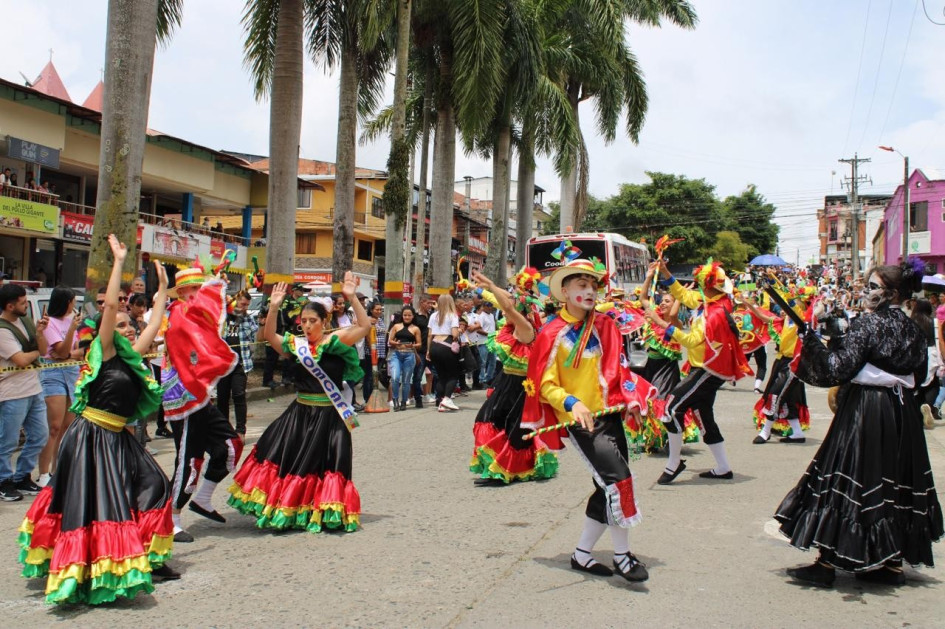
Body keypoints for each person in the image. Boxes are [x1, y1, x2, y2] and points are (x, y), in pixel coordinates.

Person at [18, 234, 178, 604]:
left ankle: (146, 554)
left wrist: (164, 290)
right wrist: (119, 263)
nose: (127, 330)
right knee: (96, 502)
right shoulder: (103, 353)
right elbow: (108, 311)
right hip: (92, 436)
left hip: (117, 435)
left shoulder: (130, 358)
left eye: (127, 326)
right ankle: (90, 568)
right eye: (120, 326)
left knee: (155, 483)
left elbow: (154, 327)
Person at [776, 263, 944, 587]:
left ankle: (826, 563)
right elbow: (921, 377)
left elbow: (837, 368)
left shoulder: (868, 324)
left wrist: (812, 345)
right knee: (894, 482)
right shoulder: (913, 329)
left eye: (873, 287)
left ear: (892, 294)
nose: (867, 292)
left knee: (849, 481)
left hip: (866, 408)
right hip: (902, 414)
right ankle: (891, 563)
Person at [521, 259, 656, 582]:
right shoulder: (552, 333)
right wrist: (571, 402)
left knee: (605, 485)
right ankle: (623, 556)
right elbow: (545, 384)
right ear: (564, 291)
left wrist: (632, 399)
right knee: (619, 479)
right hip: (582, 421)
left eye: (592, 285)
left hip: (609, 415)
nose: (589, 291)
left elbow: (618, 369)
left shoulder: (606, 326)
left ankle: (582, 554)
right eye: (581, 285)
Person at [228, 273, 369, 533]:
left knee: (331, 463)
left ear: (324, 321)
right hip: (301, 413)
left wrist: (351, 298)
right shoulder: (296, 345)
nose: (307, 326)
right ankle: (289, 507)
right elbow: (270, 336)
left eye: (312, 321)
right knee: (291, 460)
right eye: (303, 321)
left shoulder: (335, 342)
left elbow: (364, 327)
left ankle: (326, 509)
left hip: (330, 415)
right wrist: (273, 307)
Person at [645, 259, 751, 484]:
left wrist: (661, 323)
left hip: (708, 369)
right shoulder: (712, 300)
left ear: (709, 285)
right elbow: (684, 295)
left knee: (671, 408)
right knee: (703, 416)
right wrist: (665, 271)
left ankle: (674, 464)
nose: (698, 286)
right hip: (703, 367)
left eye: (701, 283)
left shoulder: (714, 314)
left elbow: (692, 341)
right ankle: (723, 467)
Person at [162, 263, 242, 542]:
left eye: (200, 288)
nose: (199, 294)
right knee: (189, 460)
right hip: (184, 398)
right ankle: (170, 518)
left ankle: (203, 499)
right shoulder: (178, 314)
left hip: (200, 396)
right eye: (194, 289)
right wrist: (212, 286)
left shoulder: (190, 313)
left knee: (230, 446)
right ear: (182, 292)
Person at [469, 269, 558, 485]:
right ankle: (497, 467)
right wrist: (485, 288)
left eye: (509, 308)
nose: (503, 309)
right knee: (489, 420)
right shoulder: (512, 325)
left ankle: (505, 470)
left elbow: (508, 305)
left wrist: (490, 283)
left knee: (510, 428)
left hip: (520, 387)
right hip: (506, 380)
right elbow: (506, 302)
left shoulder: (525, 328)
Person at [625, 266, 700, 452]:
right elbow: (643, 299)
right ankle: (653, 437)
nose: (663, 304)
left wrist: (682, 295)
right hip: (649, 366)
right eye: (663, 300)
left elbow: (673, 314)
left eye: (668, 301)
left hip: (666, 369)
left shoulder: (675, 323)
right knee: (646, 401)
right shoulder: (654, 316)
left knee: (660, 401)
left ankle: (666, 437)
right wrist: (648, 277)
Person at [743, 284, 812, 444]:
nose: (785, 308)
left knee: (775, 394)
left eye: (791, 304)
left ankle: (765, 431)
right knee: (788, 398)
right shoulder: (786, 320)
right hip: (781, 362)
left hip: (793, 364)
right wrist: (749, 305)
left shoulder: (800, 320)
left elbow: (793, 308)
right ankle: (797, 433)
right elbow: (765, 318)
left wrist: (782, 294)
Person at [0, 285, 49, 501]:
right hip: (11, 392)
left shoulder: (26, 322)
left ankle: (22, 476)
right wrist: (35, 352)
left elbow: (45, 350)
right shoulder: (2, 330)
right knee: (8, 441)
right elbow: (19, 360)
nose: (25, 305)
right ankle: (3, 480)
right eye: (22, 303)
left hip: (33, 388)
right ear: (10, 306)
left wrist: (39, 334)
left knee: (40, 435)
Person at [36, 287, 84, 488]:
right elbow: (61, 350)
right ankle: (44, 472)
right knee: (54, 426)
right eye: (73, 301)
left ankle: (59, 469)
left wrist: (67, 354)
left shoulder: (72, 320)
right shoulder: (50, 322)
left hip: (71, 371)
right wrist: (71, 332)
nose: (75, 306)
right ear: (66, 302)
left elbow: (79, 352)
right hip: (53, 374)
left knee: (67, 426)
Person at [217, 290, 258, 437]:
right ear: (236, 301)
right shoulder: (223, 316)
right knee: (222, 397)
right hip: (223, 364)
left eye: (247, 305)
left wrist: (243, 316)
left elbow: (255, 333)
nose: (244, 307)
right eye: (242, 304)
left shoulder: (248, 319)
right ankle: (223, 429)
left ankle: (240, 430)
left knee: (239, 395)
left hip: (241, 363)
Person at [427, 294, 461, 412]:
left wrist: (428, 350)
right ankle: (447, 399)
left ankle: (440, 400)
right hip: (446, 345)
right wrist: (459, 332)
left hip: (434, 345)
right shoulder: (452, 316)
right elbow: (455, 334)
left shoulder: (433, 316)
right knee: (453, 374)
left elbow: (429, 335)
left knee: (441, 376)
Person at [911, 299, 941, 428]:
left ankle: (917, 411)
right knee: (934, 384)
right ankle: (928, 404)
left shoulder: (911, 322)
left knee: (917, 385)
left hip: (916, 354)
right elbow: (940, 341)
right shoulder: (934, 322)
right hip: (932, 354)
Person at [387, 306, 421, 411]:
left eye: (409, 315)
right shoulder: (396, 326)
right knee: (395, 378)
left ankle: (404, 402)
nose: (407, 317)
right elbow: (390, 341)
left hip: (409, 355)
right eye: (405, 315)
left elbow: (419, 344)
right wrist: (395, 343)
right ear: (402, 316)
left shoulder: (415, 328)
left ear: (413, 316)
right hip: (396, 354)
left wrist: (413, 346)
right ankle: (395, 399)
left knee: (406, 380)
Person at [361, 301, 386, 408]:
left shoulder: (380, 320)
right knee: (369, 376)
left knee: (375, 375)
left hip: (380, 352)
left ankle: (374, 398)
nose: (379, 311)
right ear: (371, 310)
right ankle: (368, 399)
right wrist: (372, 348)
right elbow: (367, 335)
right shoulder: (368, 320)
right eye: (377, 309)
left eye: (380, 309)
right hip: (371, 352)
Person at [411, 296, 432, 408]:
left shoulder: (431, 316)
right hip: (419, 350)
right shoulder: (416, 317)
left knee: (432, 374)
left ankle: (433, 395)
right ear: (422, 302)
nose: (430, 305)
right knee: (417, 376)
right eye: (428, 303)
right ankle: (417, 398)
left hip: (431, 349)